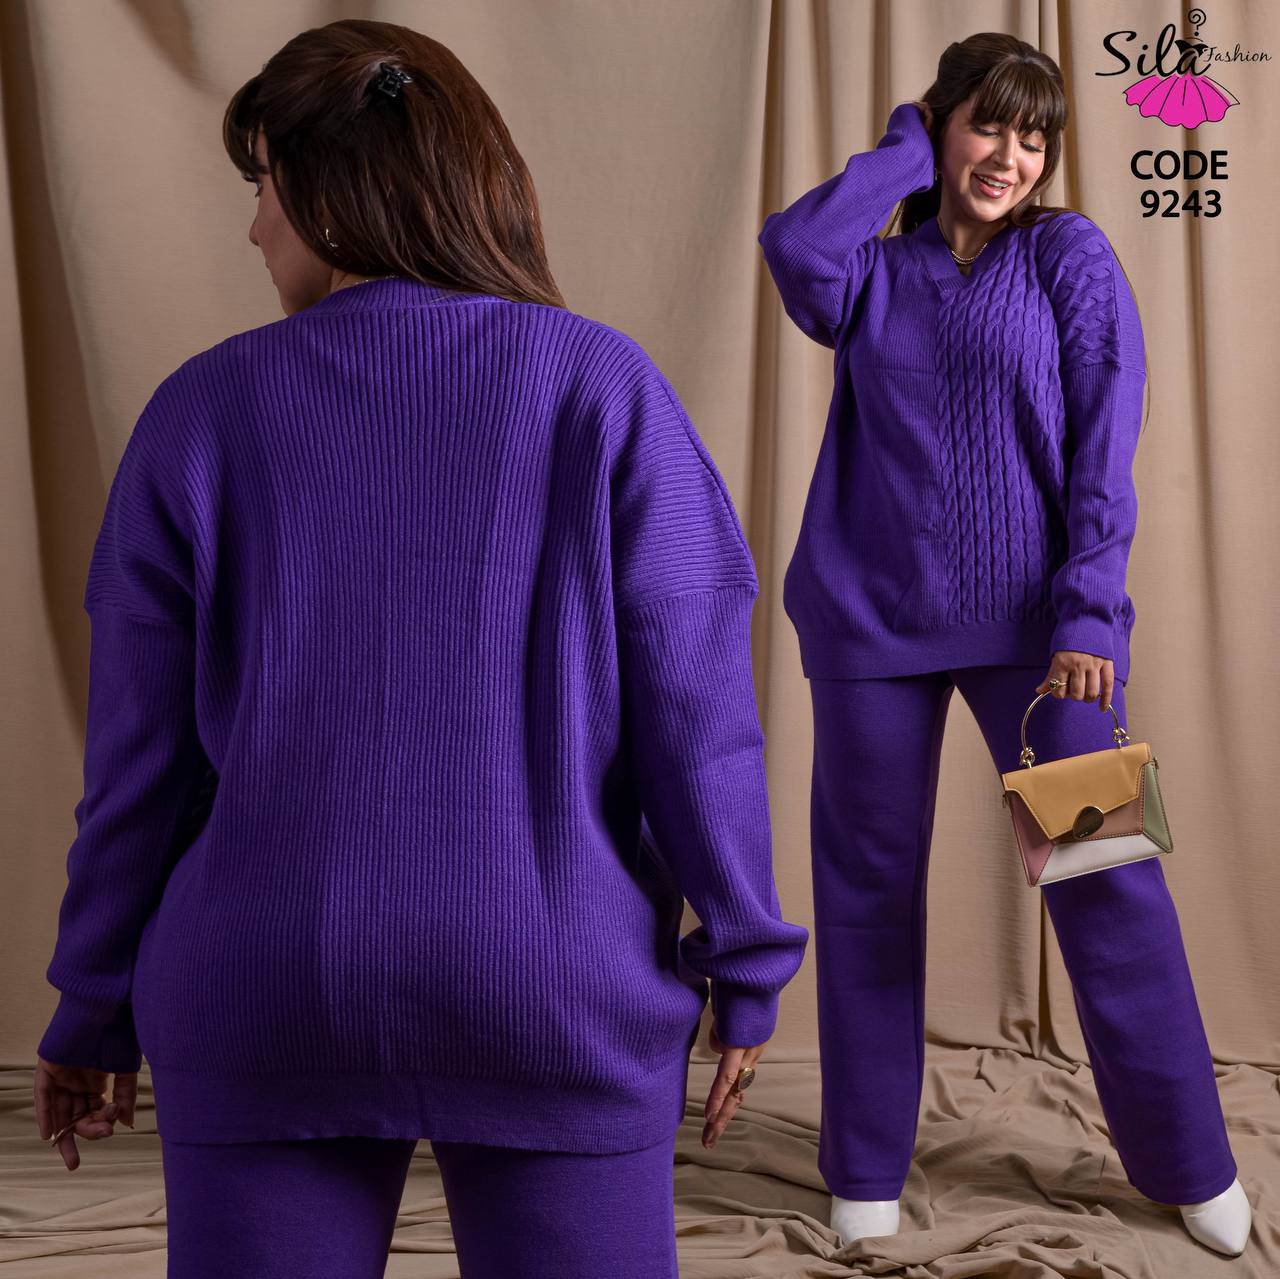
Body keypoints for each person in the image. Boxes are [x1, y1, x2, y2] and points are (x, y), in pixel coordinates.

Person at [32, 18, 808, 1278]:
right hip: (555, 990)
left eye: (263, 188)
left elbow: (140, 772)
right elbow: (695, 721)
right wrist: (746, 961)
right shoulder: (602, 388)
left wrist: (91, 1002)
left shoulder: (201, 411)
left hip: (264, 989)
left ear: (330, 195)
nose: (253, 230)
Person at [756, 32, 1250, 1258]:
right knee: (865, 888)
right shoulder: (871, 272)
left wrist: (1087, 610)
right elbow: (793, 249)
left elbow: (1103, 438)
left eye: (1034, 138)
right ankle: (863, 1161)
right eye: (986, 125)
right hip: (868, 626)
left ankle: (1187, 1158)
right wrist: (902, 153)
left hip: (1040, 638)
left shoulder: (1064, 255)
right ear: (938, 125)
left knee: (1103, 877)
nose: (1010, 157)